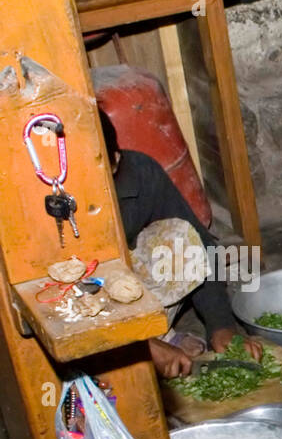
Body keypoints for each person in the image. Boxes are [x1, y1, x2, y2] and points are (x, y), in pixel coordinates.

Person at [99, 111, 261, 378]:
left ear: (115, 162)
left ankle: (158, 332)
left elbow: (199, 243)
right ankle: (147, 343)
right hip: (85, 304)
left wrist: (222, 326)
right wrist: (142, 348)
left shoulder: (140, 172)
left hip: (123, 281)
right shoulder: (48, 205)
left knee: (180, 236)